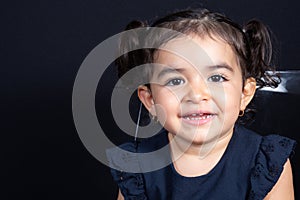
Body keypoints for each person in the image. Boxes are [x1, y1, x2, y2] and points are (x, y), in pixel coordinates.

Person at [106, 8, 296, 200]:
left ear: (244, 94)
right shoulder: (138, 169)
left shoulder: (265, 164)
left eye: (216, 77)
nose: (197, 95)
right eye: (175, 81)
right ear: (150, 101)